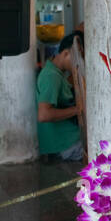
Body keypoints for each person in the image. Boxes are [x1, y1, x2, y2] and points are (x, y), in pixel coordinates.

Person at [36, 32, 84, 160]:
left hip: (67, 141)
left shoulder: (57, 73)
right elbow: (43, 115)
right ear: (66, 53)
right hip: (64, 146)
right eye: (78, 56)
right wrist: (78, 109)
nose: (79, 62)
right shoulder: (51, 76)